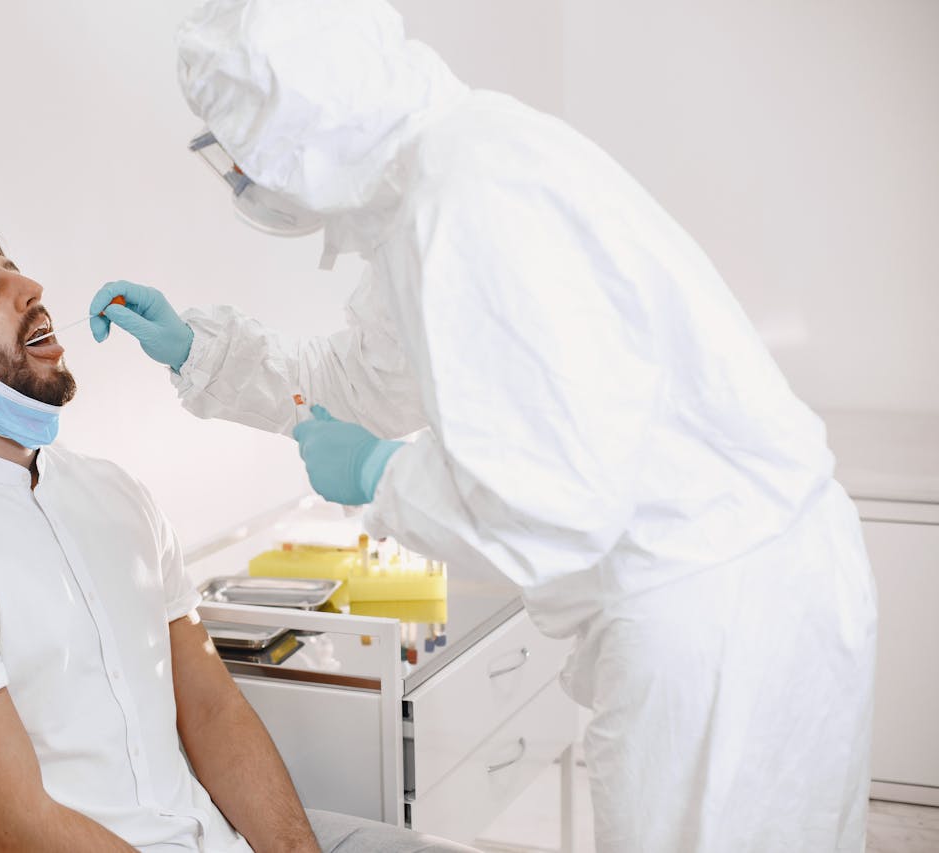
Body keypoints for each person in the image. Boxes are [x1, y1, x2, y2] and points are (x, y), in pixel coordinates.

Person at [87, 1, 878, 851]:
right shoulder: (438, 181)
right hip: (733, 588)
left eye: (239, 144)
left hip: (716, 615)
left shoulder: (468, 200)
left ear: (297, 127)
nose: (239, 172)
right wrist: (201, 352)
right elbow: (366, 379)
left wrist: (379, 477)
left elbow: (554, 509)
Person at [0, 223, 477, 853]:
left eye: (16, 272)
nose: (31, 288)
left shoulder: (110, 494)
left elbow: (214, 709)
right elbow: (20, 830)